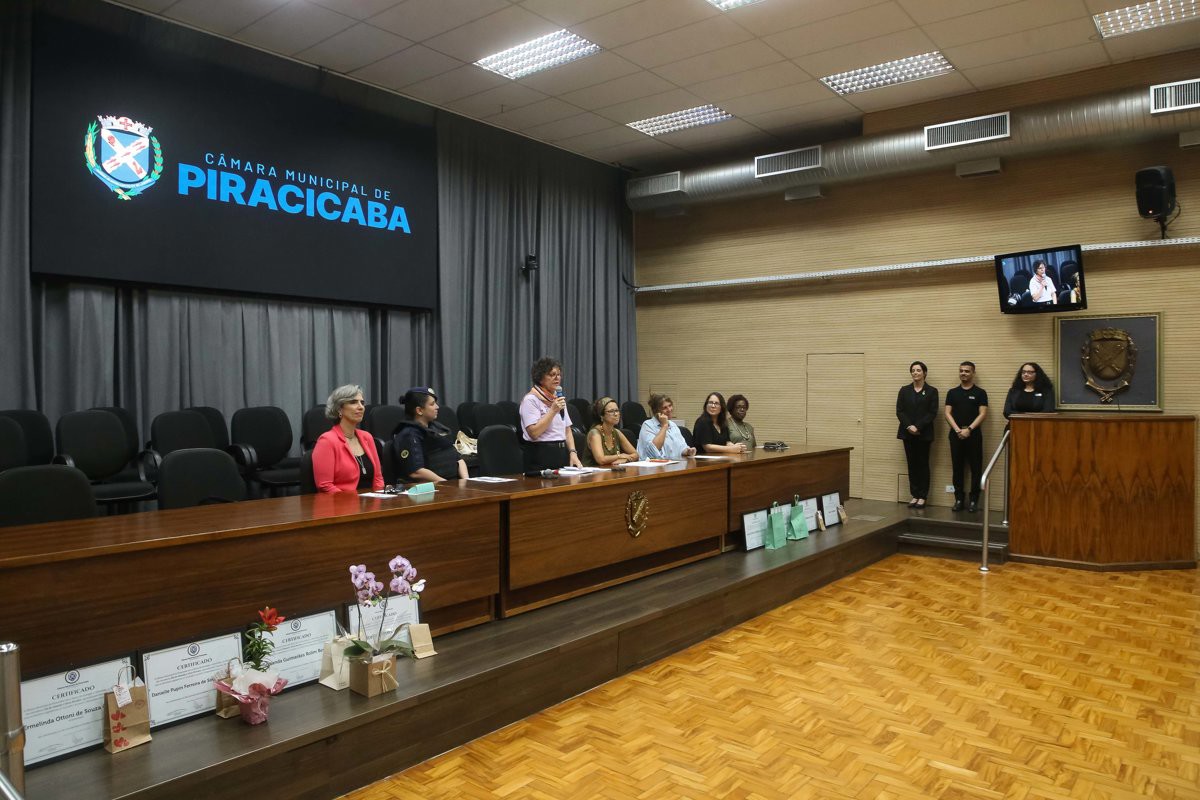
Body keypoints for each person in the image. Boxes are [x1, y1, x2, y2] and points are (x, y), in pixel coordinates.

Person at [311, 384, 384, 494]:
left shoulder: (367, 437)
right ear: (339, 409)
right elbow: (325, 486)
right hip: (341, 503)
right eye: (353, 402)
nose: (361, 407)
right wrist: (354, 501)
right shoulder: (327, 441)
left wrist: (380, 499)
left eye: (362, 402)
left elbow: (378, 479)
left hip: (371, 501)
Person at [519, 356, 582, 471]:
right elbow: (534, 433)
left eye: (558, 374)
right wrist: (553, 411)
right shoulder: (531, 400)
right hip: (540, 453)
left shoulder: (557, 399)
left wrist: (573, 452)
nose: (557, 378)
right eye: (552, 375)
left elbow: (567, 430)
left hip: (561, 452)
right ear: (540, 378)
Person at [393, 386, 468, 482]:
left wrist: (466, 481)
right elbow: (416, 471)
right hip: (431, 487)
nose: (437, 407)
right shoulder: (409, 435)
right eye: (432, 404)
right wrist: (447, 484)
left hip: (451, 484)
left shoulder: (437, 428)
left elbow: (458, 459)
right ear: (419, 410)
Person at [943, 361, 988, 513]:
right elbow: (947, 413)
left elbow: (983, 414)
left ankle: (974, 500)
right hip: (955, 435)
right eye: (961, 370)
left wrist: (969, 429)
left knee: (976, 468)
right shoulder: (952, 392)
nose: (963, 373)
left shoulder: (980, 393)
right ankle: (959, 499)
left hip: (974, 435)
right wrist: (957, 430)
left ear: (973, 373)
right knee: (957, 468)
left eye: (967, 371)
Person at [895, 361, 938, 509]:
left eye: (918, 370)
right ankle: (914, 494)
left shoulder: (932, 391)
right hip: (907, 433)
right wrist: (909, 426)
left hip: (923, 433)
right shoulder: (904, 390)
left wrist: (918, 426)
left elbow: (932, 412)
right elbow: (899, 411)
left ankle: (922, 496)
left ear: (924, 373)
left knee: (923, 464)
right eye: (913, 370)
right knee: (911, 464)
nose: (915, 373)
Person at [637, 393, 696, 460]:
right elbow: (653, 451)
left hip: (673, 463)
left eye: (670, 405)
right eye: (664, 408)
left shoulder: (673, 425)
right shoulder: (648, 425)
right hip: (654, 465)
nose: (669, 409)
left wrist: (687, 451)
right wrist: (664, 426)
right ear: (656, 411)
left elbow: (681, 447)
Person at [583, 397, 638, 467]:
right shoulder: (595, 433)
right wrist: (619, 456)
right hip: (592, 471)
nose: (616, 414)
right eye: (611, 411)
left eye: (617, 410)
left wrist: (625, 460)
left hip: (611, 470)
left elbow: (635, 454)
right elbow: (601, 460)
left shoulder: (616, 432)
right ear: (601, 415)